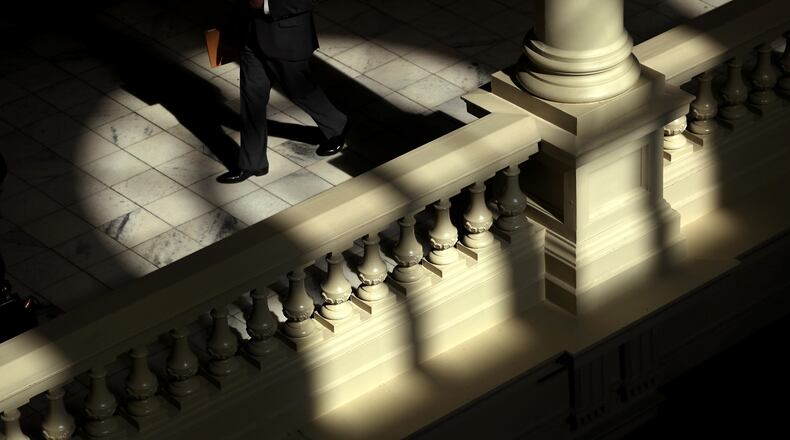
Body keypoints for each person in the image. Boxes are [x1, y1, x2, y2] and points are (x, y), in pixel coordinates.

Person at [217, 0, 349, 184]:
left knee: (299, 91)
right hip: (250, 36)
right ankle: (252, 164)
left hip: (286, 37)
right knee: (251, 101)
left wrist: (266, 5)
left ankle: (337, 125)